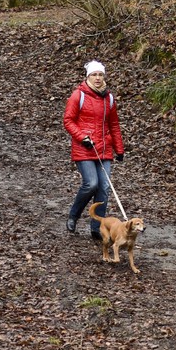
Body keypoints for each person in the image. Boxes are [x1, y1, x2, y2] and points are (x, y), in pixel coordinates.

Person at [63, 60, 125, 240]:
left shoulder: (109, 98)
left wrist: (119, 149)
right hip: (84, 147)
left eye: (100, 75)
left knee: (104, 187)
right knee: (91, 183)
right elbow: (68, 120)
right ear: (88, 76)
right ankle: (74, 215)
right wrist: (82, 137)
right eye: (94, 75)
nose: (97, 78)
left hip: (104, 148)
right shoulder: (78, 95)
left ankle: (97, 227)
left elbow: (114, 124)